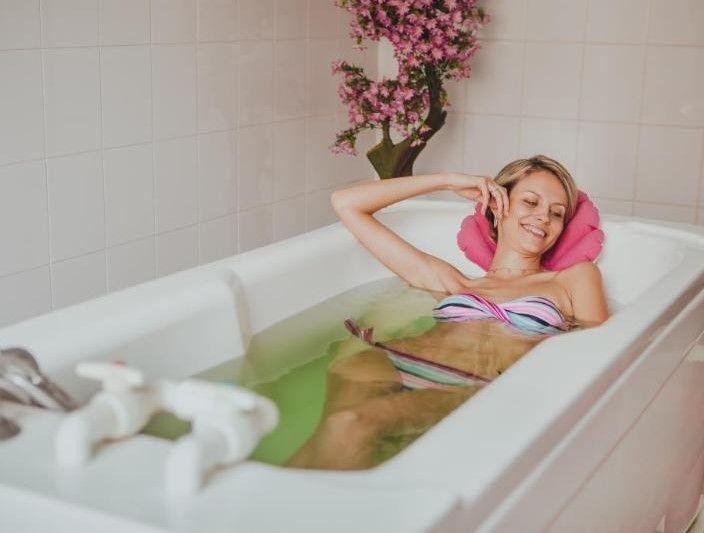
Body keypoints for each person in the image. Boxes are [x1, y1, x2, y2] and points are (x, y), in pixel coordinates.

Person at [287, 155, 609, 470]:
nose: (543, 217)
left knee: (348, 425)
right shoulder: (454, 282)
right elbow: (346, 203)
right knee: (338, 431)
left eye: (556, 213)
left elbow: (602, 352)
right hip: (385, 362)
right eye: (530, 202)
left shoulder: (573, 279)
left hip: (470, 386)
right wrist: (448, 180)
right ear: (498, 205)